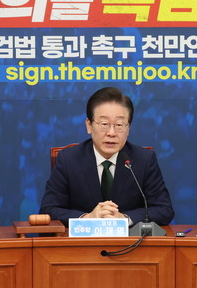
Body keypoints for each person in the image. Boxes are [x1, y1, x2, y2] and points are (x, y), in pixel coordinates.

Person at [40, 87, 174, 226]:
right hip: (83, 239)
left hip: (129, 239)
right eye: (104, 124)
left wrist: (124, 218)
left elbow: (164, 210)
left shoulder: (144, 159)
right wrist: (87, 218)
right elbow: (48, 210)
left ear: (128, 128)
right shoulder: (68, 159)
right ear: (89, 126)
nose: (111, 133)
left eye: (119, 125)